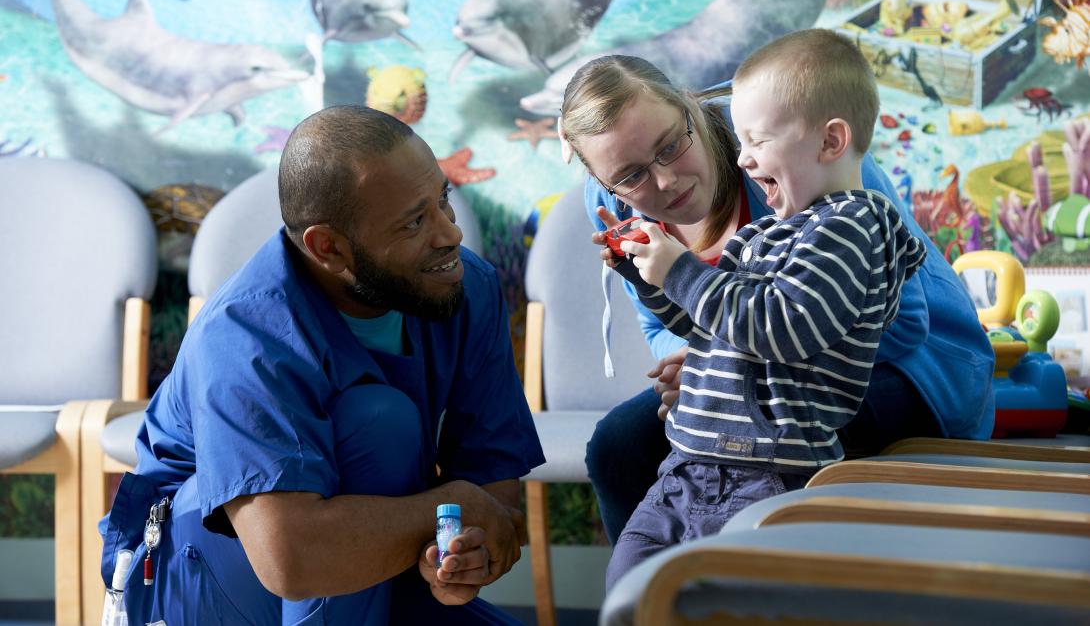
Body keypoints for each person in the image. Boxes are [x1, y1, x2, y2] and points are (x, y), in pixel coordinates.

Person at [99, 106, 545, 625]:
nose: (450, 235)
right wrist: (444, 508)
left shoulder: (467, 287)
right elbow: (291, 560)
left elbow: (493, 499)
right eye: (415, 222)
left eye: (442, 202)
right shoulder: (244, 334)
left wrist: (464, 555)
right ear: (328, 247)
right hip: (198, 580)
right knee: (379, 421)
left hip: (363, 569)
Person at [559, 49, 994, 545]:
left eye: (669, 146)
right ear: (601, 181)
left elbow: (906, 325)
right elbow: (663, 326)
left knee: (761, 443)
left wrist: (728, 353)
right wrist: (696, 361)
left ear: (688, 105)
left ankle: (768, 592)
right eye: (629, 175)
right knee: (618, 447)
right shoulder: (613, 206)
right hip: (755, 376)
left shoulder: (785, 142)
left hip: (908, 367)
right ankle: (658, 597)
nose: (664, 180)